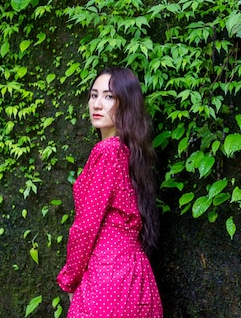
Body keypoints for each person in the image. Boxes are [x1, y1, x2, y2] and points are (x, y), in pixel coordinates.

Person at [57, 67, 163, 318]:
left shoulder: (108, 153)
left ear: (126, 104)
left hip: (108, 278)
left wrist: (69, 279)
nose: (97, 104)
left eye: (108, 97)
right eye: (94, 95)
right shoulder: (130, 152)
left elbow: (85, 227)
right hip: (137, 279)